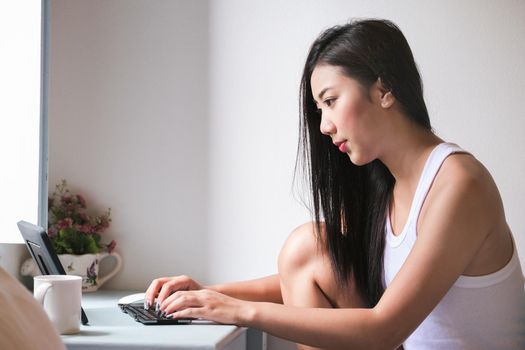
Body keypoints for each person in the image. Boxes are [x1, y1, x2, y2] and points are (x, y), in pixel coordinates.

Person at [145, 19, 525, 349]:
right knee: (307, 249)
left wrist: (240, 311)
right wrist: (207, 293)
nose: (325, 126)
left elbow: (385, 329)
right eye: (320, 109)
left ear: (384, 89)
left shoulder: (460, 184)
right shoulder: (385, 188)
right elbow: (302, 276)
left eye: (330, 100)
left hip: (389, 336)